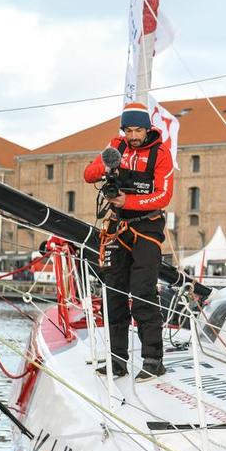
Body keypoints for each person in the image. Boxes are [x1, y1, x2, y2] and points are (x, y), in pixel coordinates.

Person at [83, 102, 174, 382]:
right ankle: (117, 361)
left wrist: (129, 200)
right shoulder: (116, 149)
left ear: (148, 129)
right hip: (117, 227)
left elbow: (164, 196)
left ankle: (153, 360)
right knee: (114, 294)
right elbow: (88, 175)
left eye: (138, 130)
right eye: (129, 130)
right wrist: (105, 169)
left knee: (143, 292)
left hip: (148, 227)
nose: (133, 135)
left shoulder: (161, 154)